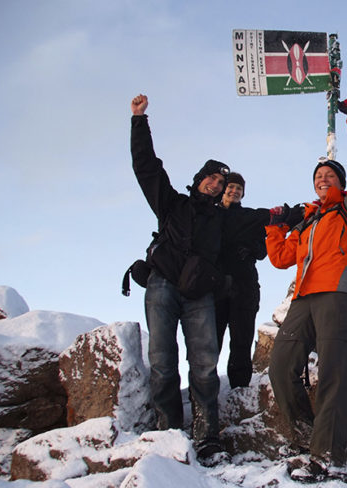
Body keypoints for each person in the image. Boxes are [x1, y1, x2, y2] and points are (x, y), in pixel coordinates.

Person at [265, 95, 347, 484]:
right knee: (280, 368)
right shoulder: (308, 222)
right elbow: (280, 258)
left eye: (329, 177)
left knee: (332, 373)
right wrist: (276, 224)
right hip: (304, 298)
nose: (322, 181)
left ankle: (330, 460)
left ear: (341, 184)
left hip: (340, 296)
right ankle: (304, 444)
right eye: (317, 178)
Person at [130, 94, 227, 466]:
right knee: (162, 359)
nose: (215, 185)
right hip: (163, 284)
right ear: (200, 179)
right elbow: (147, 168)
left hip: (199, 293)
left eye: (220, 182)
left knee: (204, 363)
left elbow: (255, 230)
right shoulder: (173, 204)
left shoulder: (223, 220)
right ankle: (168, 433)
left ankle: (207, 438)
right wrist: (140, 121)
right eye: (211, 178)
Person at [214, 172, 270, 389]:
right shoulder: (210, 215)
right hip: (214, 287)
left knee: (241, 340)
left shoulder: (249, 217)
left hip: (244, 286)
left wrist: (249, 249)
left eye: (239, 188)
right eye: (231, 187)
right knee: (210, 341)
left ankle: (239, 388)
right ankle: (204, 391)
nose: (234, 191)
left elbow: (262, 250)